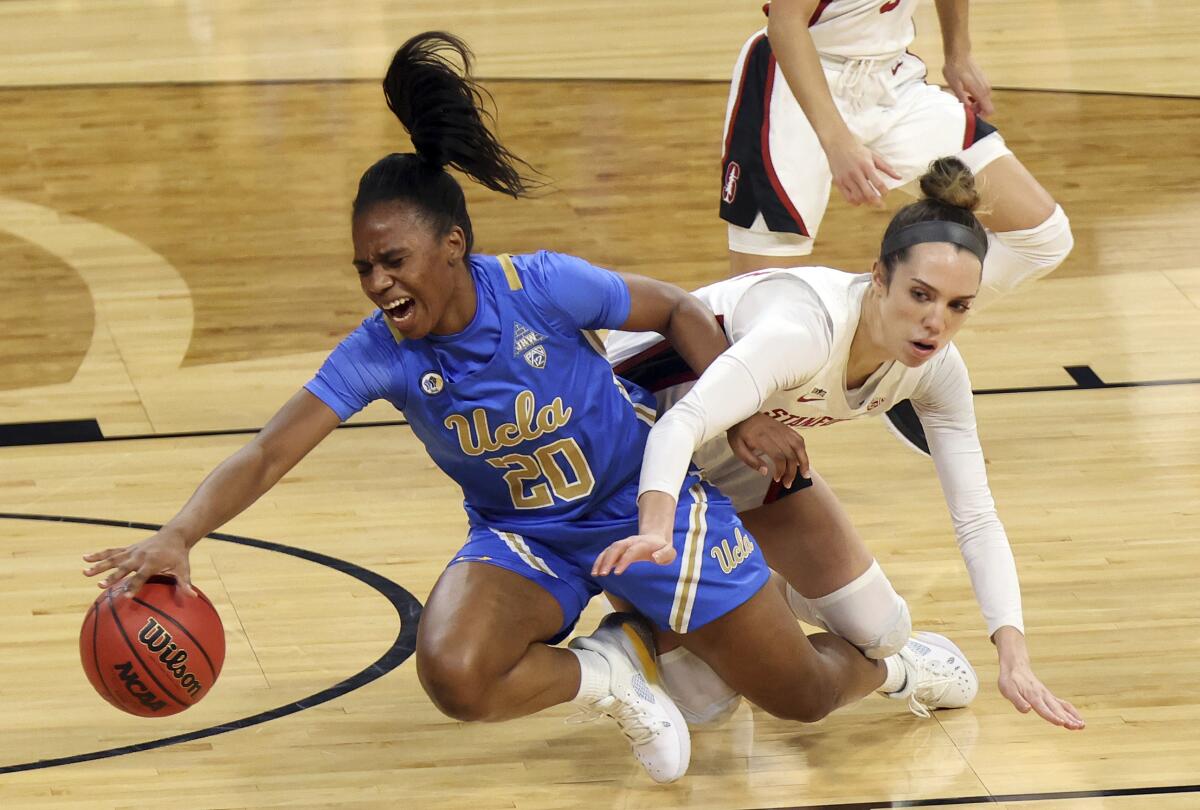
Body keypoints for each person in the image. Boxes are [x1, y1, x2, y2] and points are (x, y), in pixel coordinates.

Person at [79, 32, 974, 784]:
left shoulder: (541, 286)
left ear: (454, 248)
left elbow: (677, 308)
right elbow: (270, 452)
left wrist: (736, 412)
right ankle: (610, 678)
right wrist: (183, 534)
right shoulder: (380, 351)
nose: (378, 281)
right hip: (526, 537)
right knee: (455, 672)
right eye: (365, 267)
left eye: (393, 260)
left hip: (645, 508)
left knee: (805, 699)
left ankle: (900, 670)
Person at [603, 157, 1085, 730]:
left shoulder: (937, 371)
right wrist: (656, 530)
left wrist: (1015, 658)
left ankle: (899, 665)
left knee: (883, 630)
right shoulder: (805, 329)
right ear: (878, 276)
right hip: (633, 456)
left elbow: (976, 516)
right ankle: (717, 609)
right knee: (705, 703)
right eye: (921, 294)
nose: (935, 322)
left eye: (958, 306)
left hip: (739, 459)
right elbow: (676, 427)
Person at [719, 0, 1075, 453]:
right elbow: (785, 22)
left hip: (891, 82)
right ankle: (684, 449)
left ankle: (888, 352)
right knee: (759, 308)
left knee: (1041, 236)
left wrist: (958, 52)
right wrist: (837, 141)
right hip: (793, 82)